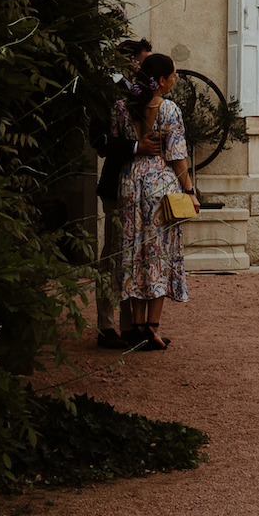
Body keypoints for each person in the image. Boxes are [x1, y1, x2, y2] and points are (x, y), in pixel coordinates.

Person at [114, 52, 194, 351]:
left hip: (129, 182)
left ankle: (136, 326)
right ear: (160, 81)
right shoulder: (169, 109)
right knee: (158, 253)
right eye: (172, 75)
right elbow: (177, 156)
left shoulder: (123, 107)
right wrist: (190, 191)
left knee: (135, 251)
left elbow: (114, 141)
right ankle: (153, 327)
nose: (175, 79)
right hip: (159, 184)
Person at [91, 38, 153, 349]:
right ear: (129, 63)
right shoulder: (108, 94)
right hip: (117, 184)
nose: (146, 70)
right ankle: (105, 327)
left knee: (136, 255)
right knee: (113, 255)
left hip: (144, 188)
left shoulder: (143, 95)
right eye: (142, 63)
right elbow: (99, 142)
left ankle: (132, 327)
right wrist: (135, 146)